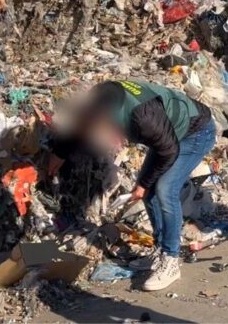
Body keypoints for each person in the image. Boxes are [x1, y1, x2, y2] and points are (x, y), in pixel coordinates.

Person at [48, 80, 215, 292]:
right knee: (147, 192)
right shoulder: (101, 97)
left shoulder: (143, 119)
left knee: (164, 190)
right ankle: (160, 248)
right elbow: (83, 124)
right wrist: (59, 153)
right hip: (168, 134)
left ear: (115, 116)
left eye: (104, 125)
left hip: (196, 133)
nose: (100, 129)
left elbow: (168, 151)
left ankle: (171, 260)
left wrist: (144, 184)